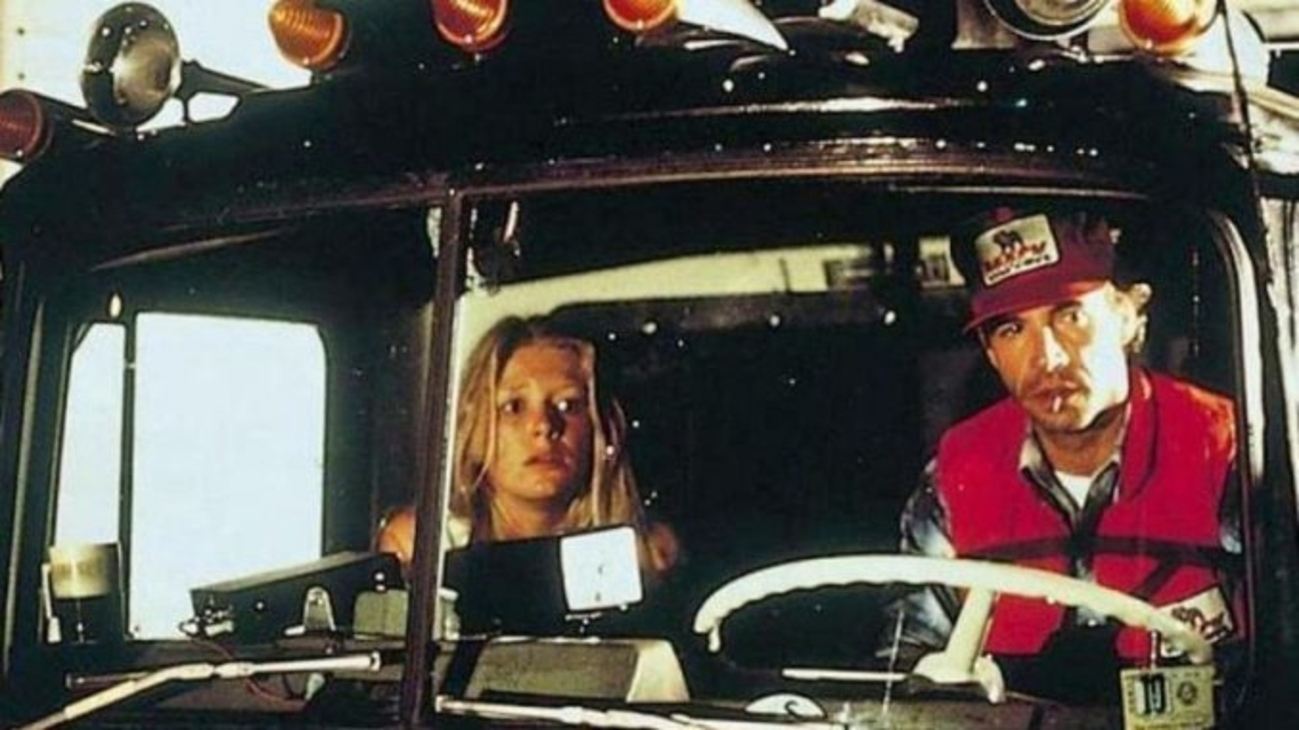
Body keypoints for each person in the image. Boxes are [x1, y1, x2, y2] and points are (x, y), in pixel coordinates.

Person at [889, 207, 1241, 688]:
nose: (1048, 358)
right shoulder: (956, 474)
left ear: (1127, 316)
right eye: (1012, 330)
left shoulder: (1227, 451)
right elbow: (908, 660)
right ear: (991, 353)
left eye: (1071, 316)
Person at [376, 315, 678, 576]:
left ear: (603, 430)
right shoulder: (421, 547)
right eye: (514, 407)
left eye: (567, 405)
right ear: (475, 428)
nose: (544, 426)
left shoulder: (647, 556)